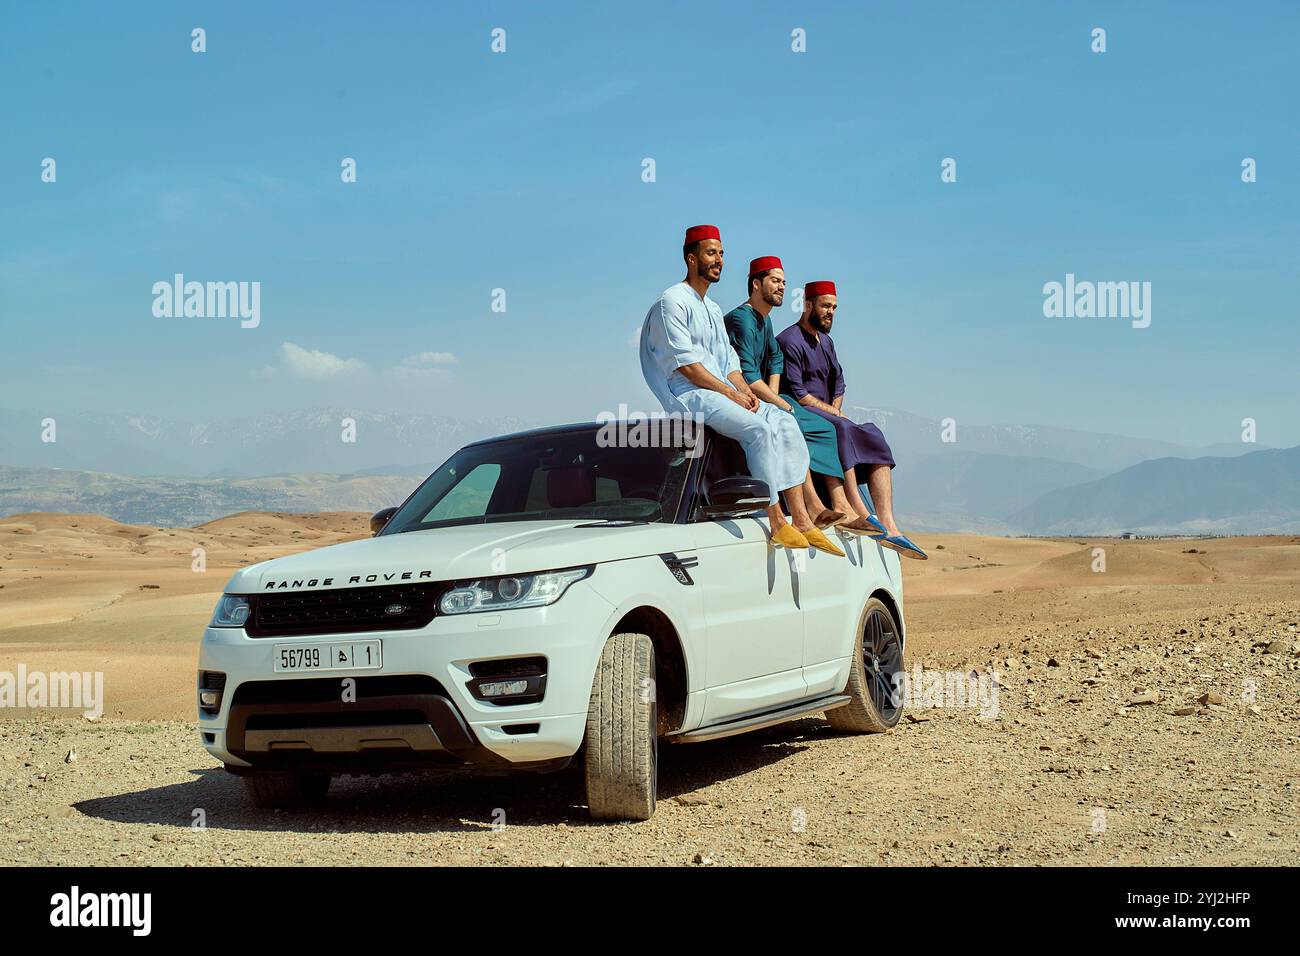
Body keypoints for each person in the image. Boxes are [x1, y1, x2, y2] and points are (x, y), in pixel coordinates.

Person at [639, 226, 843, 556]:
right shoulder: (672, 302)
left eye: (721, 253)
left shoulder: (713, 309)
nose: (719, 260)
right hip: (690, 394)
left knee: (784, 422)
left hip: (718, 390)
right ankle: (777, 522)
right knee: (758, 429)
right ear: (692, 259)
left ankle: (803, 518)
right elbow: (687, 366)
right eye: (710, 253)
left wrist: (743, 389)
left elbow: (728, 361)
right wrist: (730, 393)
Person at [724, 256, 882, 537]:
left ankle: (837, 505)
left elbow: (774, 361)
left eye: (784, 282)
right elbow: (747, 373)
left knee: (823, 428)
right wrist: (779, 403)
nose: (783, 286)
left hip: (765, 399)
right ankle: (812, 507)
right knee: (803, 425)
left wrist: (773, 398)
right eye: (775, 280)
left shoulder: (765, 322)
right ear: (756, 283)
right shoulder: (742, 319)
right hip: (740, 398)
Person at [777, 280, 926, 560]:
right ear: (807, 305)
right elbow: (800, 394)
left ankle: (889, 525)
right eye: (825, 306)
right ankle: (857, 509)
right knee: (843, 427)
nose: (830, 312)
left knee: (873, 433)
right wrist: (835, 414)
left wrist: (836, 407)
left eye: (834, 307)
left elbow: (839, 383)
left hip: (829, 411)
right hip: (803, 410)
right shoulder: (789, 341)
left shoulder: (827, 342)